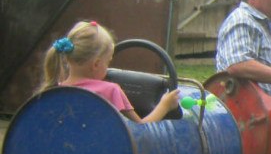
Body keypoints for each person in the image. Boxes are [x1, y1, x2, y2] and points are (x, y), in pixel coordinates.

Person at [39, 20, 179, 123]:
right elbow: (141, 129)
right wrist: (165, 105)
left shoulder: (53, 91)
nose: (108, 67)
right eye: (108, 62)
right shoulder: (110, 91)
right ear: (96, 64)